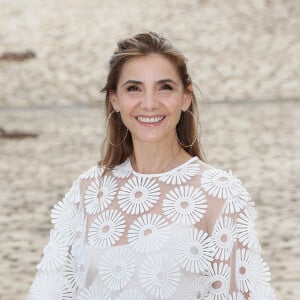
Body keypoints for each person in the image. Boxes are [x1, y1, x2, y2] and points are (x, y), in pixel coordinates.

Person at [27, 32, 275, 300]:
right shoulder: (87, 191)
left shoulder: (220, 195)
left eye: (164, 87)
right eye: (134, 88)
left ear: (185, 97)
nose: (149, 103)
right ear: (114, 100)